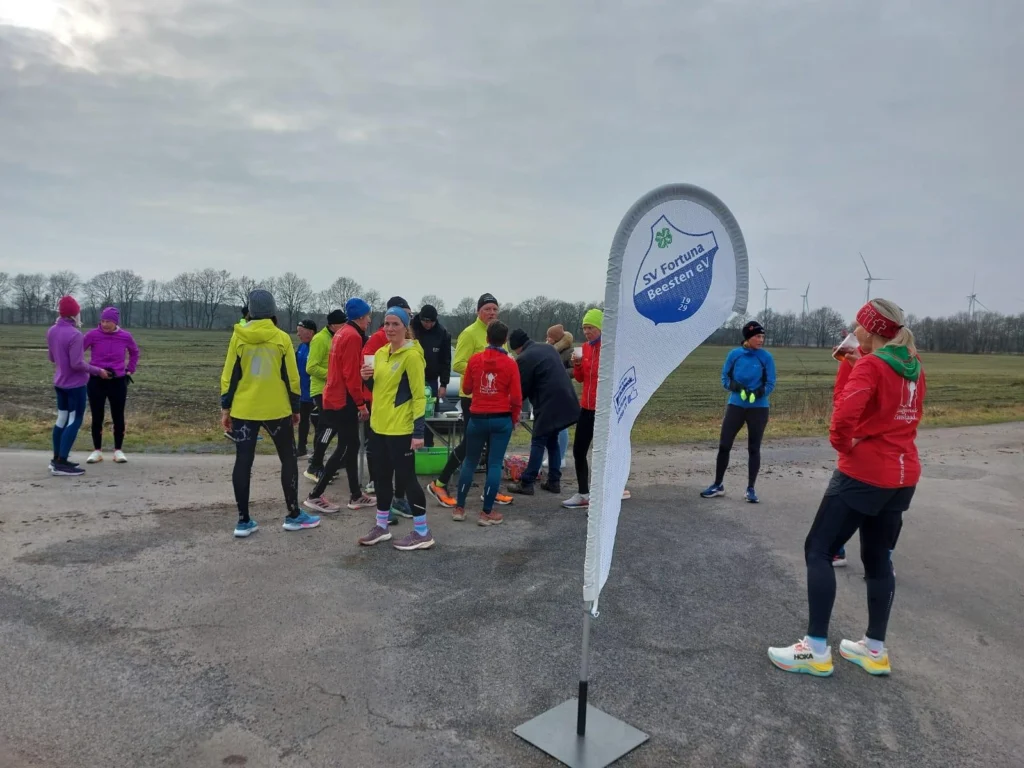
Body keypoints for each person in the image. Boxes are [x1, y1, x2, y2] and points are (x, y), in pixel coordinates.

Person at [768, 299, 925, 678]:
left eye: (857, 326)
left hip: (865, 473)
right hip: (903, 475)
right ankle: (874, 649)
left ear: (869, 331)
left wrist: (844, 445)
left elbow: (843, 414)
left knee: (818, 548)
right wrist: (853, 364)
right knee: (878, 559)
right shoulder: (913, 367)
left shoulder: (871, 365)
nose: (852, 331)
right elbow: (895, 413)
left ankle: (816, 649)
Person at [220, 289, 320, 537]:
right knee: (288, 459)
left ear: (250, 311)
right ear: (273, 312)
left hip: (244, 409)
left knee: (243, 461)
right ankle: (294, 515)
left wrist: (226, 408)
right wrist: (296, 408)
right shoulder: (281, 338)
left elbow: (229, 375)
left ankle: (243, 521)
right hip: (277, 409)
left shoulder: (238, 337)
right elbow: (292, 377)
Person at [357, 306, 434, 550]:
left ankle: (422, 532)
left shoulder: (412, 356)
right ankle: (382, 527)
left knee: (407, 479)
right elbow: (378, 388)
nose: (390, 328)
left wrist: (418, 431)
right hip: (378, 427)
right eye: (386, 324)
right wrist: (365, 377)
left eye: (395, 324)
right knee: (380, 478)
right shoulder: (380, 353)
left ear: (405, 327)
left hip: (401, 428)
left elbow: (419, 396)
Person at [427, 293, 513, 508]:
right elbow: (458, 364)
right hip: (473, 399)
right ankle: (440, 483)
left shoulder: (500, 333)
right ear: (478, 312)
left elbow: (506, 360)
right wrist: (483, 371)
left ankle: (490, 491)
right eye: (487, 309)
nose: (491, 313)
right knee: (468, 445)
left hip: (496, 401)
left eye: (494, 309)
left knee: (494, 447)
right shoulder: (469, 333)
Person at [303, 298, 376, 514]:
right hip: (343, 399)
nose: (370, 320)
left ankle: (355, 494)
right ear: (361, 317)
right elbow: (351, 375)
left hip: (335, 396)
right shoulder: (352, 336)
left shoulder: (342, 332)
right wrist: (361, 404)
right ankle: (315, 495)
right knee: (345, 447)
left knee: (352, 446)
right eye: (368, 316)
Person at [451, 322, 522, 525]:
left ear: (487, 338)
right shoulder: (510, 363)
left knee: (470, 462)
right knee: (494, 463)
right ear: (505, 340)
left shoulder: (474, 360)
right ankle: (486, 512)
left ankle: (459, 508)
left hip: (478, 417)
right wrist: (514, 417)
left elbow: (466, 386)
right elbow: (516, 397)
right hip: (501, 418)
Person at [700, 320, 777, 504]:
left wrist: (758, 392)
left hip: (758, 408)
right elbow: (725, 378)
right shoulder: (735, 355)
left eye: (762, 337)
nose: (761, 340)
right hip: (736, 405)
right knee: (724, 445)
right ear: (748, 337)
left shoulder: (766, 357)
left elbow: (771, 383)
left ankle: (750, 489)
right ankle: (718, 485)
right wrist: (736, 387)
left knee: (753, 448)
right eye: (757, 336)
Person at [562, 309, 631, 508]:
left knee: (606, 452)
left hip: (605, 409)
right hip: (586, 407)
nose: (587, 331)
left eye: (591, 327)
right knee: (579, 451)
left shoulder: (611, 349)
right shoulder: (585, 348)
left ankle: (614, 489)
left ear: (601, 328)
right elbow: (582, 378)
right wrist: (576, 365)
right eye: (584, 328)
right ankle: (584, 493)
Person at [506, 329, 580, 496]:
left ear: (517, 347)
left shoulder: (524, 358)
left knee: (538, 440)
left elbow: (521, 391)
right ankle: (554, 481)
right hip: (567, 399)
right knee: (552, 441)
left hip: (548, 403)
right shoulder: (547, 348)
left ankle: (527, 482)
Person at [46, 295, 109, 476]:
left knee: (61, 420)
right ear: (74, 314)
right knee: (75, 421)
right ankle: (61, 463)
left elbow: (52, 357)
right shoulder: (75, 334)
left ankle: (56, 459)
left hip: (59, 382)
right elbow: (77, 364)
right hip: (75, 385)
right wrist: (98, 371)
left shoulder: (52, 330)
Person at [363, 296, 414, 515]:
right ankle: (385, 506)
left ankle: (400, 499)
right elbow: (367, 371)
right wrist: (364, 399)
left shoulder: (411, 345)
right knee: (383, 464)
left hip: (401, 411)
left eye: (401, 321)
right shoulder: (376, 341)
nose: (393, 327)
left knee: (401, 464)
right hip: (379, 406)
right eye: (389, 322)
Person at [82, 306, 140, 464]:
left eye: (108, 321)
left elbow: (134, 352)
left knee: (118, 415)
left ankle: (118, 450)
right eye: (103, 321)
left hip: (118, 381)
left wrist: (130, 370)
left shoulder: (125, 336)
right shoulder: (92, 335)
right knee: (97, 416)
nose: (105, 324)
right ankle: (97, 451)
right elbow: (78, 351)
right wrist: (85, 369)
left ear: (115, 322)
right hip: (96, 380)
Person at [304, 309, 345, 480]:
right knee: (330, 427)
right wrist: (334, 374)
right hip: (321, 391)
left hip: (332, 390)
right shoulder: (320, 339)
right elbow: (311, 367)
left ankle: (319, 462)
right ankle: (315, 466)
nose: (345, 327)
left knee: (324, 428)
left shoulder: (335, 337)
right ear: (333, 325)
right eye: (342, 324)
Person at [411, 304, 452, 448]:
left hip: (431, 380)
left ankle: (428, 444)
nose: (428, 324)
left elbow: (446, 360)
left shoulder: (442, 333)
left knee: (429, 415)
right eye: (425, 321)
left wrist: (444, 384)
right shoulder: (411, 328)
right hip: (409, 379)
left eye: (431, 322)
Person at [543, 324, 574, 470]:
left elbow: (574, 370)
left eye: (549, 336)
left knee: (561, 427)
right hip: (549, 391)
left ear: (556, 338)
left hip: (562, 391)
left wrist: (560, 373)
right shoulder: (549, 349)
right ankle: (552, 455)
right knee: (550, 427)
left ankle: (560, 457)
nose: (547, 339)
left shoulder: (569, 351)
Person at [294, 319, 318, 458]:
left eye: (300, 332)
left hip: (315, 392)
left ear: (310, 332)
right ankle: (301, 448)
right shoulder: (301, 347)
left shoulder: (317, 346)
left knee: (317, 423)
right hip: (302, 392)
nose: (298, 335)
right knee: (303, 421)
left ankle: (317, 452)